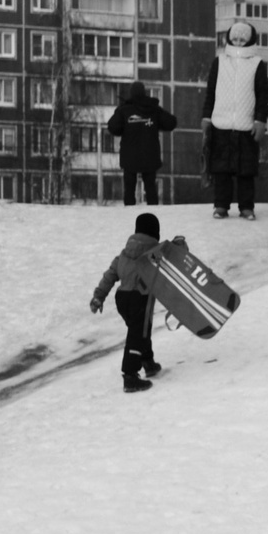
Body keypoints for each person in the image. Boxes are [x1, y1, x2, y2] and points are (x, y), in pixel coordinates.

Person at [88, 211, 167, 394]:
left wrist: (99, 296)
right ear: (155, 233)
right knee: (137, 333)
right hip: (140, 297)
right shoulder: (156, 254)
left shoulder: (123, 254)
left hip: (122, 298)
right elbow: (173, 268)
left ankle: (148, 361)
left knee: (140, 329)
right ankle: (130, 375)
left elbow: (110, 275)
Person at [204, 21, 268, 219]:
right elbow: (210, 91)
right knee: (220, 169)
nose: (239, 42)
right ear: (229, 38)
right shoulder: (219, 61)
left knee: (246, 170)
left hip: (247, 124)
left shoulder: (257, 63)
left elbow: (263, 94)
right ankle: (221, 206)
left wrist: (261, 120)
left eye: (243, 39)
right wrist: (206, 117)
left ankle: (246, 207)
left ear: (250, 39)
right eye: (235, 38)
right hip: (221, 122)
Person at [107, 81, 177, 207]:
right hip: (150, 156)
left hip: (129, 157)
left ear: (131, 93)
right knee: (151, 189)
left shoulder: (125, 110)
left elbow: (112, 127)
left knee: (129, 190)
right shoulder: (153, 109)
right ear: (144, 92)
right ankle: (154, 214)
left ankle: (129, 214)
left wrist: (121, 114)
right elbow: (171, 123)